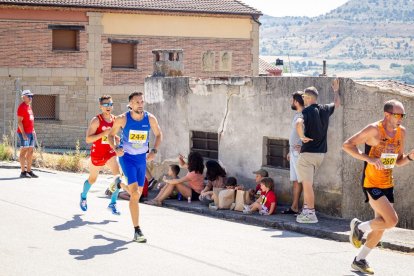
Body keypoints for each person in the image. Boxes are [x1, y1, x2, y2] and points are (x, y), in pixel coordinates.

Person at [343, 99, 414, 275]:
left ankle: (359, 260)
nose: (400, 119)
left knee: (381, 227)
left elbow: (398, 161)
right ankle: (359, 227)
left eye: (402, 115)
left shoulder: (401, 132)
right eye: (397, 115)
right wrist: (369, 159)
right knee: (392, 221)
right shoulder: (374, 129)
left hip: (387, 183)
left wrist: (410, 157)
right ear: (387, 114)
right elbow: (347, 145)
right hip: (371, 182)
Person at [108, 92, 162, 243]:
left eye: (141, 101)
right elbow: (110, 135)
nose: (140, 104)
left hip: (141, 159)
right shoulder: (122, 119)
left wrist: (154, 151)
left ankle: (119, 184)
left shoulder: (150, 118)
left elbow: (159, 134)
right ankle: (137, 230)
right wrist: (115, 148)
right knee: (135, 193)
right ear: (130, 104)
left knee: (136, 193)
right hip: (127, 158)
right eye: (136, 102)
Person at [295, 79, 340, 223]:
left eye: (304, 97)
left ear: (308, 98)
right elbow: (337, 104)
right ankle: (307, 212)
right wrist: (336, 91)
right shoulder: (325, 109)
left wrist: (302, 136)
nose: (303, 99)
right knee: (309, 184)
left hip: (308, 154)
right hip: (320, 154)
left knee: (307, 185)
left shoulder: (306, 111)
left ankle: (311, 214)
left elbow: (298, 122)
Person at [79, 95, 123, 215]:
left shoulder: (115, 120)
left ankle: (113, 203)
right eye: (105, 105)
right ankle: (83, 196)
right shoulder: (96, 120)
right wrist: (103, 133)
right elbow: (88, 139)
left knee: (117, 178)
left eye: (110, 104)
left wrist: (116, 139)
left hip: (110, 153)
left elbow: (112, 136)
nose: (108, 107)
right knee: (92, 179)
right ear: (101, 107)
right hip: (97, 154)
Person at [282, 91, 305, 215]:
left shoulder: (304, 115)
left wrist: (303, 147)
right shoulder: (297, 114)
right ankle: (294, 207)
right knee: (296, 181)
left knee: (302, 180)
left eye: (292, 100)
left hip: (300, 152)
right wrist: (290, 151)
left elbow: (309, 133)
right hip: (294, 152)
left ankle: (306, 209)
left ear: (296, 102)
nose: (291, 103)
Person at [17, 89, 38, 178]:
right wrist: (24, 134)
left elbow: (30, 120)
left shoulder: (28, 106)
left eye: (31, 96)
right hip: (24, 133)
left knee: (31, 151)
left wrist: (33, 130)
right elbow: (19, 122)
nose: (31, 98)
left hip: (31, 132)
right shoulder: (22, 107)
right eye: (29, 96)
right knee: (24, 151)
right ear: (24, 97)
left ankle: (29, 171)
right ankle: (23, 172)